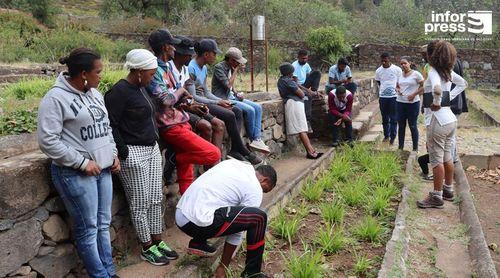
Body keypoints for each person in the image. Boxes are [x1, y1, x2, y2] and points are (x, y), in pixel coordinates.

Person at [37, 48, 119, 277]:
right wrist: (82, 162)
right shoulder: (55, 98)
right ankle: (100, 275)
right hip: (76, 174)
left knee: (103, 224)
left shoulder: (95, 93)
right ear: (83, 73)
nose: (101, 76)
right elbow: (47, 140)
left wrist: (112, 153)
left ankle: (110, 272)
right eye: (98, 72)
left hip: (103, 169)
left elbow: (106, 128)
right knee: (88, 229)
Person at [105, 49, 178, 266]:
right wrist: (123, 151)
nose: (152, 77)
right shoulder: (119, 92)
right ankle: (147, 247)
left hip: (151, 149)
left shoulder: (142, 88)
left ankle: (157, 240)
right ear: (138, 72)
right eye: (150, 73)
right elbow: (111, 124)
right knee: (140, 202)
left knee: (156, 197)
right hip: (133, 151)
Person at [146, 29, 221, 195]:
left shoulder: (166, 68)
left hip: (179, 119)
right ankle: (177, 158)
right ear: (166, 47)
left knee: (186, 173)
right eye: (173, 45)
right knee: (213, 154)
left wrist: (191, 105)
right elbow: (165, 100)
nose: (175, 49)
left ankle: (187, 201)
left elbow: (176, 98)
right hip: (168, 124)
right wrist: (181, 90)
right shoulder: (154, 70)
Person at [175, 160, 277, 278]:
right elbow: (239, 228)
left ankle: (198, 242)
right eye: (265, 190)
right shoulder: (255, 188)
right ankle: (252, 273)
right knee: (259, 218)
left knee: (220, 203)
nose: (262, 192)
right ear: (265, 180)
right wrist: (223, 266)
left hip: (181, 214)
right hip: (196, 223)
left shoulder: (235, 164)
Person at [188, 39, 262, 165]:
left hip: (206, 100)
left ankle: (234, 150)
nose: (216, 57)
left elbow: (206, 92)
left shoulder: (204, 68)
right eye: (214, 54)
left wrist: (220, 100)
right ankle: (242, 149)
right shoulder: (191, 67)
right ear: (206, 54)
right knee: (229, 114)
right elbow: (194, 96)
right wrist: (217, 103)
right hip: (197, 103)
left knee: (237, 111)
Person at [417, 40, 467, 209]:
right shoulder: (448, 72)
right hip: (450, 119)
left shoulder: (432, 71)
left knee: (436, 159)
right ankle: (448, 189)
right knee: (447, 157)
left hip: (437, 121)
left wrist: (438, 100)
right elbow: (463, 84)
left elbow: (437, 88)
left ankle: (436, 196)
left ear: (432, 55)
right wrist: (449, 97)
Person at [168, 36, 226, 156]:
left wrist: (195, 104)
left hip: (187, 106)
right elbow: (171, 99)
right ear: (179, 54)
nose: (191, 57)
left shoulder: (185, 69)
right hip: (176, 110)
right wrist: (191, 104)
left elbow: (190, 95)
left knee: (220, 124)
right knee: (206, 126)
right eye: (188, 55)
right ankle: (208, 159)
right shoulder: (172, 69)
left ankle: (214, 162)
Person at [212, 47, 270, 153]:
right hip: (223, 98)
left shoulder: (230, 67)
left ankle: (257, 138)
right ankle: (253, 139)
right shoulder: (219, 68)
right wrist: (236, 71)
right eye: (237, 62)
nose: (238, 64)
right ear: (231, 60)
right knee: (250, 110)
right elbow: (228, 84)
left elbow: (231, 87)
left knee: (258, 107)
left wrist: (237, 93)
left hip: (232, 96)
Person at [277, 62, 323, 159]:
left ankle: (311, 150)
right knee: (301, 129)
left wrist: (296, 83)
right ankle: (311, 152)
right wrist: (297, 85)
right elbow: (301, 94)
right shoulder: (288, 81)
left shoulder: (284, 80)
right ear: (290, 72)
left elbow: (299, 88)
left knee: (302, 128)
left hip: (295, 103)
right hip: (294, 104)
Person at [396, 56, 424, 151]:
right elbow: (397, 86)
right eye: (401, 64)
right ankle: (400, 147)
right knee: (401, 126)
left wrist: (414, 94)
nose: (403, 65)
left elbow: (423, 87)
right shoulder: (400, 75)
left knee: (412, 125)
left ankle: (415, 148)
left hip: (413, 104)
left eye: (405, 63)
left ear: (410, 63)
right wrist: (398, 89)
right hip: (400, 103)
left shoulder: (416, 74)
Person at [291, 49, 322, 131]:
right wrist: (308, 91)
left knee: (317, 73)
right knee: (308, 97)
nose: (304, 60)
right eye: (302, 58)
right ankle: (307, 121)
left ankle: (315, 91)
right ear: (298, 57)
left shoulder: (306, 65)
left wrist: (313, 90)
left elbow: (310, 76)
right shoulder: (294, 66)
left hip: (304, 84)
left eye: (306, 58)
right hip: (297, 87)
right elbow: (295, 84)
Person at [375, 52, 402, 145]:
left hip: (393, 97)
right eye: (382, 61)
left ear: (389, 59)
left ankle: (393, 137)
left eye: (385, 60)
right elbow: (378, 82)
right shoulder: (378, 71)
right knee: (385, 118)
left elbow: (400, 82)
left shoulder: (397, 69)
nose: (383, 63)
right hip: (383, 97)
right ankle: (386, 135)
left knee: (393, 118)